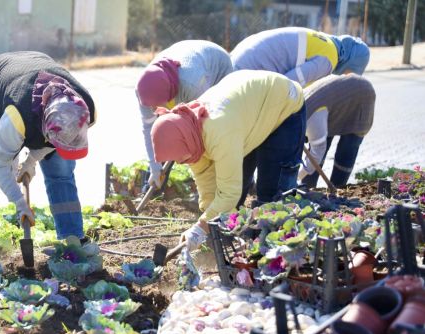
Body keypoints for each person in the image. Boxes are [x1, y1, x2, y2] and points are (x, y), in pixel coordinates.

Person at [0, 51, 96, 276]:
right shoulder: (16, 118)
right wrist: (18, 201)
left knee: (61, 170)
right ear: (45, 126)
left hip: (33, 76)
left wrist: (31, 160)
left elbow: (53, 144)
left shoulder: (85, 109)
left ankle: (73, 239)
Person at [150, 70, 306, 251]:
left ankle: (279, 250)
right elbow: (208, 184)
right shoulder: (189, 133)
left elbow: (228, 193)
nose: (178, 161)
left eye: (178, 157)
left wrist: (201, 226)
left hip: (283, 103)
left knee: (271, 195)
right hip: (247, 116)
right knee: (231, 201)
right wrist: (207, 225)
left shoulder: (218, 130)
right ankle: (238, 243)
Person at [136, 40, 233, 188]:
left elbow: (203, 122)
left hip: (217, 66)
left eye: (158, 105)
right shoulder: (144, 90)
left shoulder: (192, 84)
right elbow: (149, 128)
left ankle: (219, 183)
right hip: (185, 56)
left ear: (168, 94)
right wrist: (154, 167)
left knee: (211, 131)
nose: (155, 109)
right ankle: (157, 185)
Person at [298, 74, 376, 188]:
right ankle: (307, 188)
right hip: (332, 106)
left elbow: (317, 151)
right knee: (317, 148)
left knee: (347, 149)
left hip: (361, 97)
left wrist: (298, 177)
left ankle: (338, 188)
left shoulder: (312, 118)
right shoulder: (296, 109)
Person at [231, 27, 370, 87]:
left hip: (240, 57)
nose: (347, 77)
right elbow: (287, 85)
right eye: (351, 73)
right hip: (247, 70)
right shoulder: (329, 58)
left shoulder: (323, 42)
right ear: (350, 62)